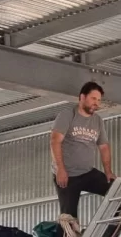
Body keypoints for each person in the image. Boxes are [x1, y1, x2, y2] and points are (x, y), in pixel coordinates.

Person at [50, 81, 117, 221]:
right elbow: (55, 141)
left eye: (99, 100)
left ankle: (116, 226)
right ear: (82, 97)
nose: (96, 103)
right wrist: (60, 169)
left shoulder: (98, 121)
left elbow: (104, 146)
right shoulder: (67, 115)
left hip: (87, 172)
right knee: (69, 218)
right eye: (93, 98)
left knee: (115, 189)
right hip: (67, 176)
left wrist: (108, 171)